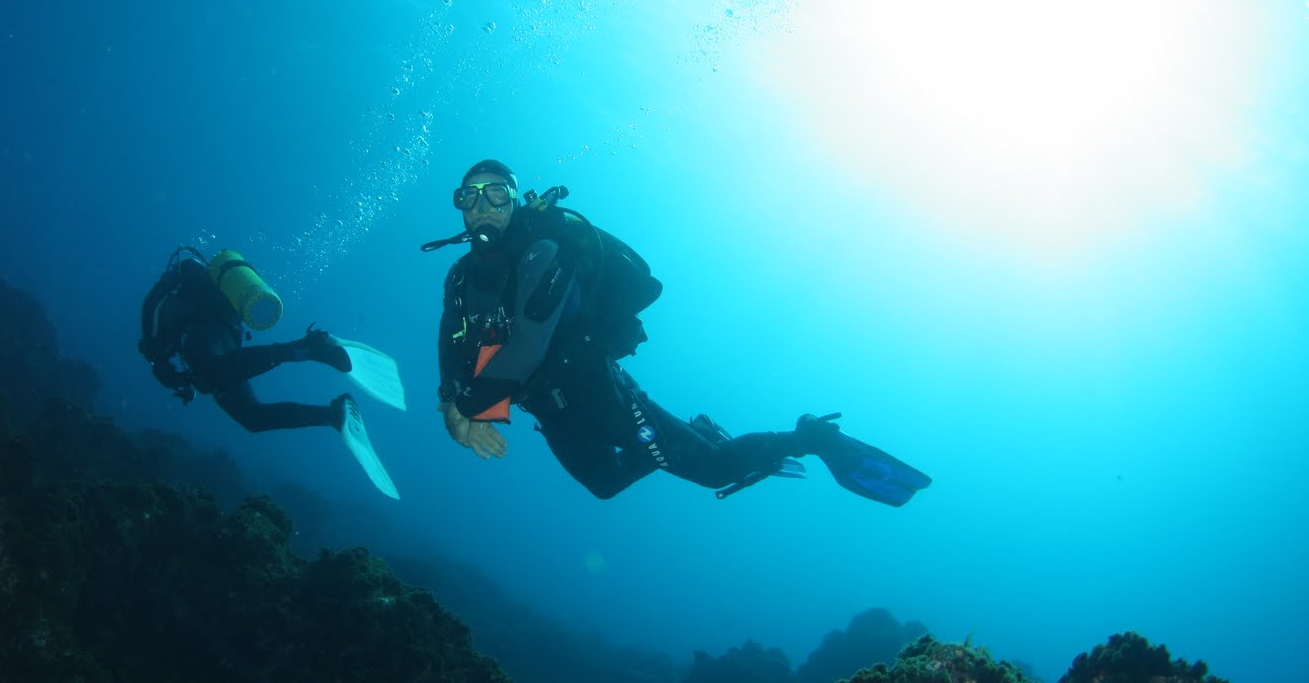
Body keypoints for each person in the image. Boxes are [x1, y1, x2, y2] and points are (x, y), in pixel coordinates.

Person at [427, 161, 930, 505]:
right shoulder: (460, 279)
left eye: (497, 193)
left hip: (602, 396)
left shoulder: (544, 252)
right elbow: (451, 346)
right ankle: (699, 433)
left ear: (516, 201)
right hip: (549, 409)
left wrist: (467, 409)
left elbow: (529, 345)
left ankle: (811, 438)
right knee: (603, 485)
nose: (482, 206)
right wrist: (454, 399)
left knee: (714, 469)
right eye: (468, 196)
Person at [138, 246, 405, 498]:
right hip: (224, 338)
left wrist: (159, 363)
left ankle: (308, 349)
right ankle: (333, 414)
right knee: (251, 417)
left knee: (211, 378)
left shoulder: (171, 292)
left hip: (203, 335)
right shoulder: (195, 289)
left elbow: (151, 320)